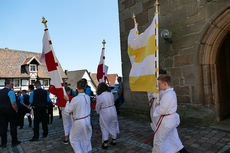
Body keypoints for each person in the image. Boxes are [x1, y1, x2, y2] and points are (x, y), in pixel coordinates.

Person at [152, 75, 189, 153]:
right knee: (173, 137)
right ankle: (183, 151)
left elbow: (162, 110)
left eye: (159, 84)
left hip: (167, 122)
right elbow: (161, 93)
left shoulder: (168, 95)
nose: (158, 86)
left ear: (165, 84)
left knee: (159, 140)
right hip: (171, 120)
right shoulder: (169, 92)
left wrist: (157, 107)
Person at [65, 79, 92, 153]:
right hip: (87, 119)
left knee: (74, 139)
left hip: (79, 121)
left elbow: (68, 110)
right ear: (85, 87)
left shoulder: (75, 99)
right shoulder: (88, 97)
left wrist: (67, 101)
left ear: (77, 87)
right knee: (85, 138)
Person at [96, 83, 119, 149]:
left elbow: (98, 106)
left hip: (105, 111)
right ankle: (114, 139)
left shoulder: (100, 96)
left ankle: (105, 142)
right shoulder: (110, 93)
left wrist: (97, 111)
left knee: (104, 126)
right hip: (113, 109)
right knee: (113, 124)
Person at [0, 79, 20, 148]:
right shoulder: (11, 92)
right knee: (13, 127)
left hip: (1, 112)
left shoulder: (0, 91)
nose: (12, 85)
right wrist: (16, 110)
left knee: (3, 128)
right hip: (10, 112)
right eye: (12, 84)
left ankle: (3, 143)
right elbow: (13, 104)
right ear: (7, 84)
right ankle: (14, 142)